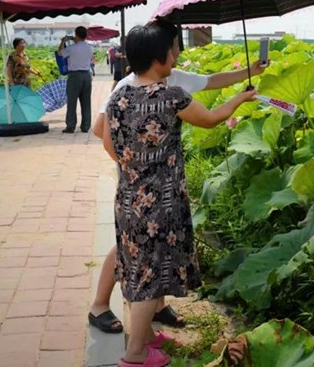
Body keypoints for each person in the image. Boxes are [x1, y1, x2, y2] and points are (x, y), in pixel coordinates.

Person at [88, 18, 265, 334]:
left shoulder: (163, 80)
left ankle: (156, 310)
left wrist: (250, 71)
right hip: (147, 189)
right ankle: (104, 309)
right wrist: (139, 167)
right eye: (175, 47)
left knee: (154, 252)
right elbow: (100, 130)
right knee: (136, 253)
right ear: (161, 54)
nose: (179, 53)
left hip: (146, 190)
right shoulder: (134, 87)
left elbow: (211, 80)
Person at [58, 26, 94, 133]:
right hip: (87, 75)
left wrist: (63, 42)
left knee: (72, 101)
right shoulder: (90, 48)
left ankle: (71, 126)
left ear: (76, 34)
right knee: (86, 101)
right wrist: (77, 40)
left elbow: (60, 53)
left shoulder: (72, 48)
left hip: (75, 75)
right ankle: (86, 126)